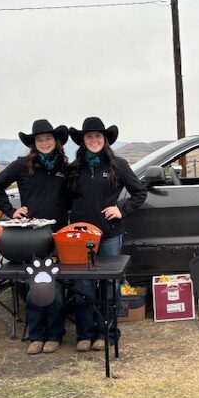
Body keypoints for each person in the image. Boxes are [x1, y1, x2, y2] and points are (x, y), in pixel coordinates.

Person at [0, 119, 70, 355]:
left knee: (55, 286)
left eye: (48, 138)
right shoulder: (22, 165)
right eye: (39, 139)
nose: (44, 143)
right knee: (34, 285)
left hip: (57, 235)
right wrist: (11, 211)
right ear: (34, 144)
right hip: (31, 236)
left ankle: (54, 335)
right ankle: (36, 335)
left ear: (56, 141)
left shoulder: (65, 168)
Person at [68, 116, 147, 351]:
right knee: (83, 286)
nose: (94, 140)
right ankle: (84, 335)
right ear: (83, 140)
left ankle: (107, 334)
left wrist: (121, 210)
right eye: (89, 136)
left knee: (110, 287)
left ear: (105, 139)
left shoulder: (118, 165)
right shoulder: (74, 169)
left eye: (98, 136)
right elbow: (63, 199)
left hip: (110, 235)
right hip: (80, 238)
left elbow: (139, 193)